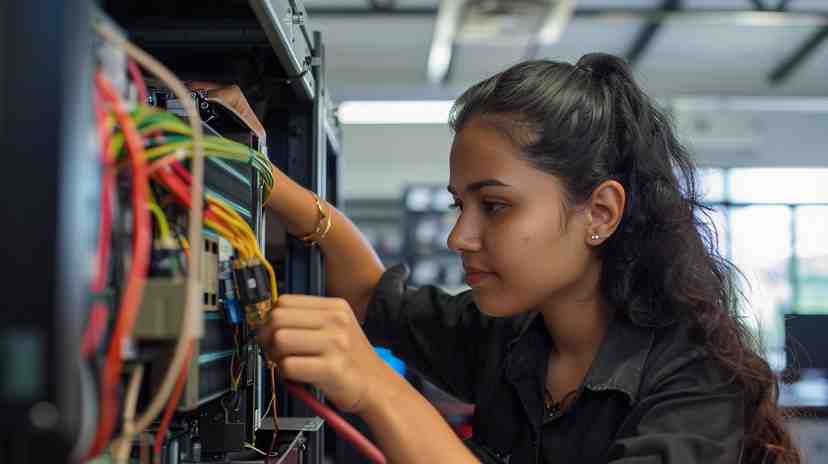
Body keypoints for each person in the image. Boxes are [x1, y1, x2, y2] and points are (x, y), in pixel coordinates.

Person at [257, 53, 800, 463]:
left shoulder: (695, 383)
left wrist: (378, 388)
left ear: (601, 213)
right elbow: (371, 294)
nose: (459, 237)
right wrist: (259, 171)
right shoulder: (512, 336)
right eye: (459, 205)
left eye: (494, 206)